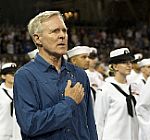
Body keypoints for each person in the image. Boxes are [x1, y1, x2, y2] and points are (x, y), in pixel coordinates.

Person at [13, 11, 97, 140]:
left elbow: (90, 123)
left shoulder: (79, 74)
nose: (62, 36)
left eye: (64, 31)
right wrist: (69, 103)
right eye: (55, 31)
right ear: (37, 38)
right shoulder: (25, 76)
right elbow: (30, 125)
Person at [94, 48, 139, 140]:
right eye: (124, 62)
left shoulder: (133, 87)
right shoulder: (105, 89)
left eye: (130, 62)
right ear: (115, 67)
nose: (129, 65)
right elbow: (99, 121)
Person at [0, 62, 21, 140]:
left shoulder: (22, 92)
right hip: (2, 135)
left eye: (15, 73)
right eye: (11, 73)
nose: (14, 75)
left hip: (18, 135)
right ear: (3, 76)